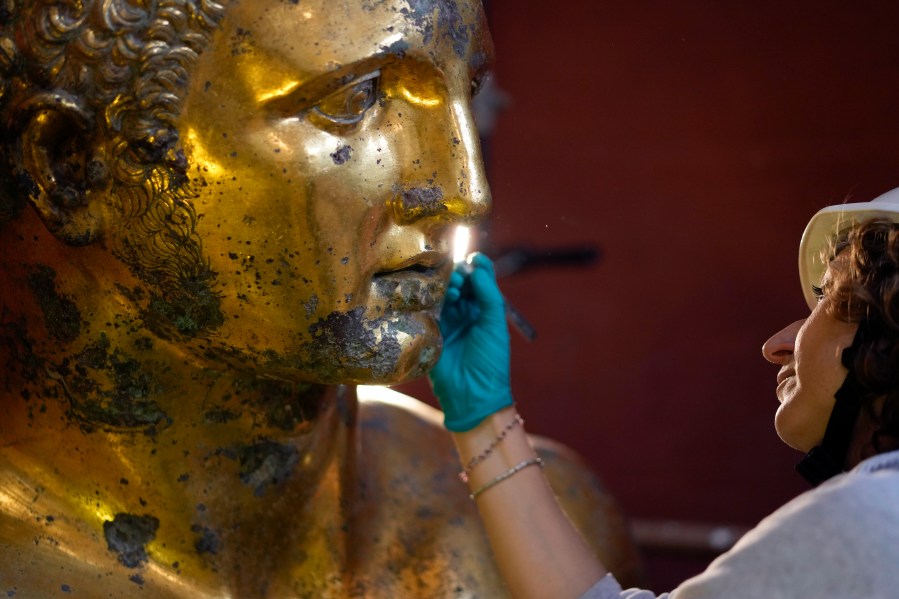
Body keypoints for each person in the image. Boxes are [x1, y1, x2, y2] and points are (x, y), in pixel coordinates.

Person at [0, 0, 642, 596]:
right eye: (354, 100)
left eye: (464, 94)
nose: (466, 192)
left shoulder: (544, 533)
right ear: (73, 165)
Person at [430, 188, 899, 598]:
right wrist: (483, 416)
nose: (777, 345)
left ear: (884, 335)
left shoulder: (865, 523)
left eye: (826, 296)